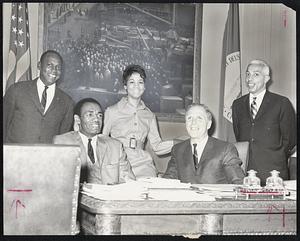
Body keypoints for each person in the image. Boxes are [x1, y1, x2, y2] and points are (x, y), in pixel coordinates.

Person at [102, 64, 174, 178]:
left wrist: (177, 143)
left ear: (144, 86)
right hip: (118, 162)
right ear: (125, 86)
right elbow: (102, 142)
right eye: (132, 82)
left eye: (140, 82)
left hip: (143, 163)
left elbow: (157, 147)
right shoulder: (112, 111)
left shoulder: (149, 115)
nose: (137, 86)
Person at [232, 59, 296, 184]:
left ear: (266, 78)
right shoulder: (237, 104)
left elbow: (291, 139)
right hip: (246, 172)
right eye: (248, 74)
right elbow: (239, 134)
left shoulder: (282, 103)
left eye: (256, 74)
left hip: (274, 173)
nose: (249, 79)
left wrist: (274, 155)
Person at [53, 98, 135, 184]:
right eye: (90, 115)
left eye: (99, 115)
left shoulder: (115, 146)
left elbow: (129, 181)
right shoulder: (61, 143)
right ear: (77, 119)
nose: (96, 119)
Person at [3, 50, 74, 143]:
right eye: (49, 65)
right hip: (15, 155)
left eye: (58, 67)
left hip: (47, 156)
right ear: (39, 65)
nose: (54, 70)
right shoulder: (16, 91)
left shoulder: (67, 102)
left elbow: (63, 139)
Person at [163, 104, 245, 184]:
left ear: (208, 124)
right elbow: (167, 181)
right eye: (189, 118)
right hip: (186, 197)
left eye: (199, 118)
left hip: (215, 197)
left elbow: (238, 183)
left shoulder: (225, 149)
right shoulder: (177, 150)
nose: (193, 123)